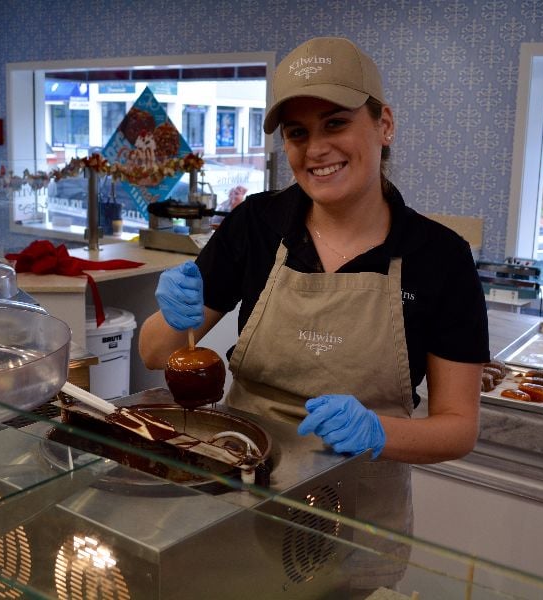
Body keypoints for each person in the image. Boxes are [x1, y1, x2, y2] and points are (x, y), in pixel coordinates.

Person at [139, 36, 489, 596]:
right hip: (238, 496)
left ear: (384, 125)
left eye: (335, 123)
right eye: (297, 133)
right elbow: (158, 353)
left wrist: (378, 431)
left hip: (355, 524)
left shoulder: (439, 258)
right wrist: (166, 314)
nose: (316, 148)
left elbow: (458, 427)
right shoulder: (256, 224)